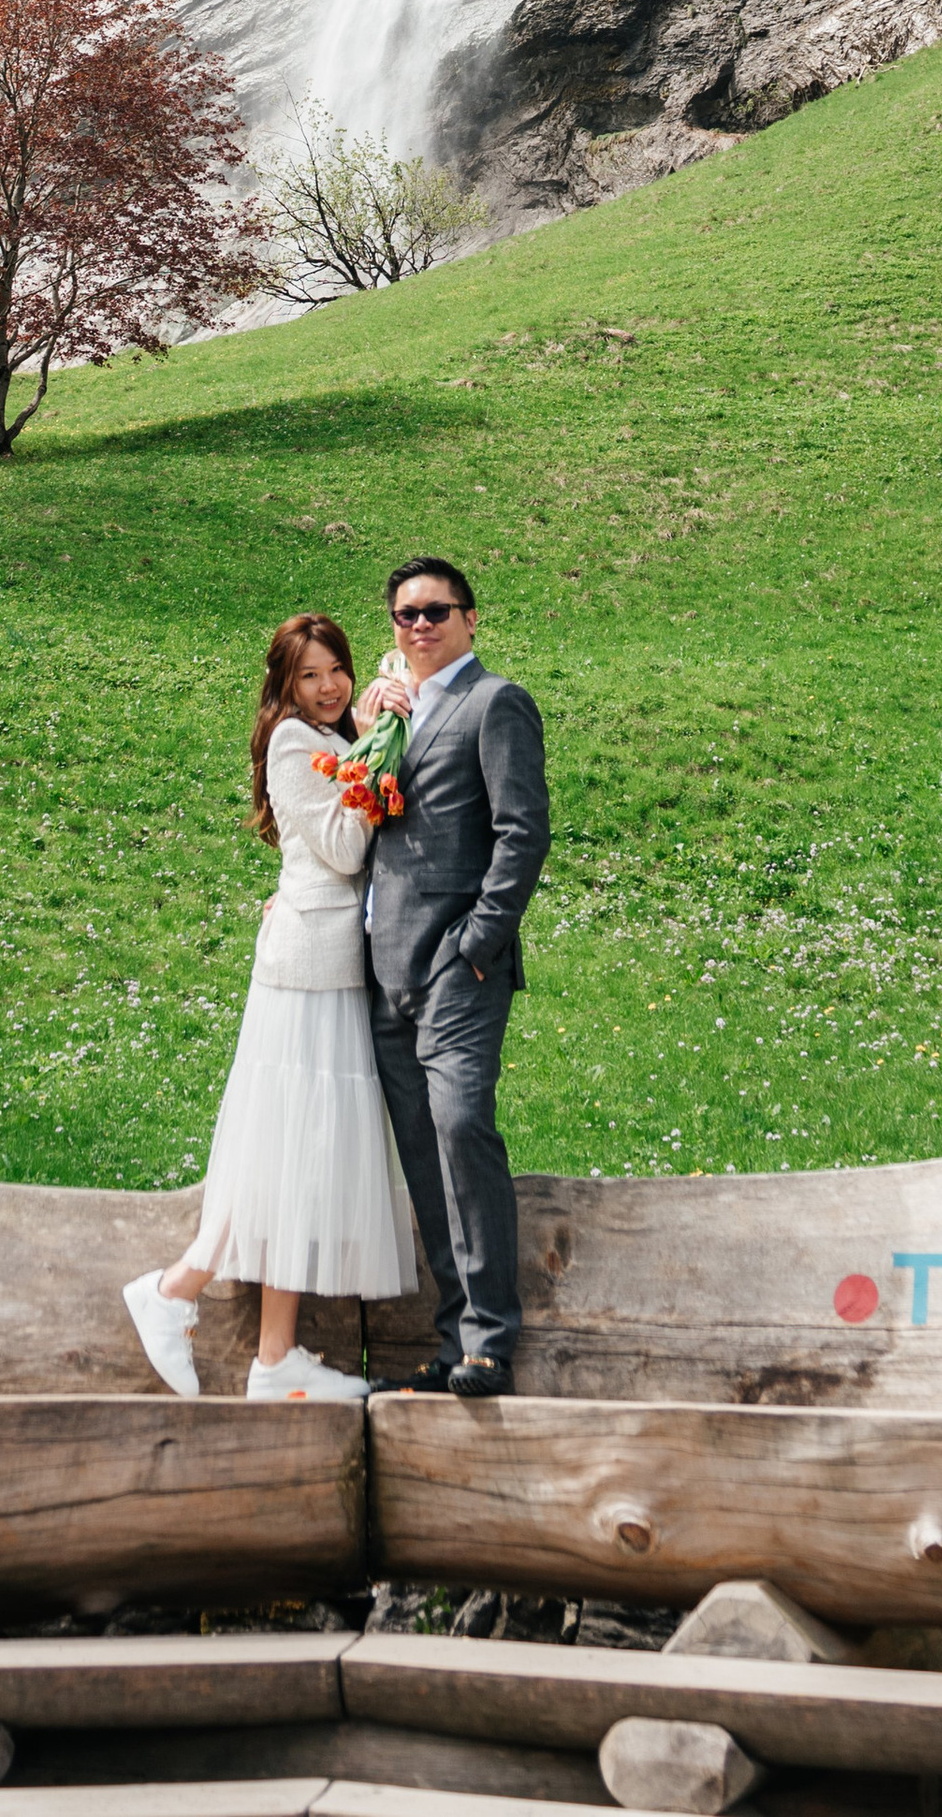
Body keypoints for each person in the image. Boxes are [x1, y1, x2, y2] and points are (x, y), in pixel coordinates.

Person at [122, 611, 415, 1401]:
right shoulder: (295, 743)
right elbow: (346, 848)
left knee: (302, 1158)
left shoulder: (339, 735)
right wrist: (374, 747)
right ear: (285, 686)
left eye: (337, 670)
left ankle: (277, 1356)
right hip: (305, 974)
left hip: (334, 969)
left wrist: (378, 724)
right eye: (309, 676)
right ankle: (175, 1290)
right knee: (284, 1149)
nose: (328, 687)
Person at [360, 557, 549, 1398]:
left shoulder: (494, 703)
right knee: (421, 1151)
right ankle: (451, 1341)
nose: (421, 625)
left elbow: (522, 833)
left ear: (472, 620)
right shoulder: (393, 712)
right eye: (406, 614)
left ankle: (491, 1341)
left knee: (463, 1125)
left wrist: (479, 941)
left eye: (437, 611)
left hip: (459, 967)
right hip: (382, 966)